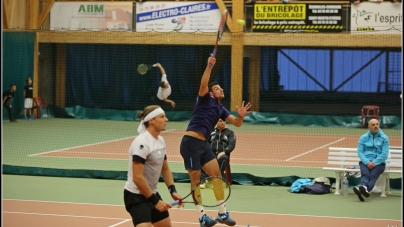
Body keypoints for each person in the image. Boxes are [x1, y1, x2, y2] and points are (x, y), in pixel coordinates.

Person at [179, 54, 251, 227]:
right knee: (195, 180)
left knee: (217, 176)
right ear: (211, 93)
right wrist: (209, 66)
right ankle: (202, 217)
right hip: (190, 143)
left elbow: (237, 124)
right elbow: (204, 84)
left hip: (203, 145)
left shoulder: (221, 109)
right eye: (218, 88)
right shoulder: (205, 99)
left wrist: (240, 116)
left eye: (221, 88)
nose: (221, 90)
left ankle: (222, 213)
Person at [123, 105, 183, 227]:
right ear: (151, 121)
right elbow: (137, 178)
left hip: (152, 193)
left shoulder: (160, 140)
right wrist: (156, 202)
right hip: (135, 196)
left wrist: (173, 190)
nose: (166, 119)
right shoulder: (142, 143)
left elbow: (164, 168)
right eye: (162, 117)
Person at [353, 118, 390, 202]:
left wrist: (374, 162)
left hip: (379, 163)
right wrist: (367, 162)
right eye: (373, 125)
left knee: (372, 176)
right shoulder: (363, 138)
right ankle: (364, 191)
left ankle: (363, 189)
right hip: (365, 162)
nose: (376, 126)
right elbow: (360, 152)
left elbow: (384, 154)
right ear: (368, 127)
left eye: (377, 124)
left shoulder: (384, 138)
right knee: (365, 174)